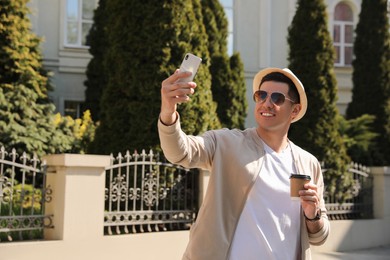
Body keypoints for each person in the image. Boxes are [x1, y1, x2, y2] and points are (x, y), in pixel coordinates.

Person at [158, 67, 330, 260]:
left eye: (277, 98)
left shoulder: (308, 163)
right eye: (261, 95)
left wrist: (312, 215)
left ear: (295, 110)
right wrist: (168, 111)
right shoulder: (226, 143)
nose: (267, 103)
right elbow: (180, 152)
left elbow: (319, 236)